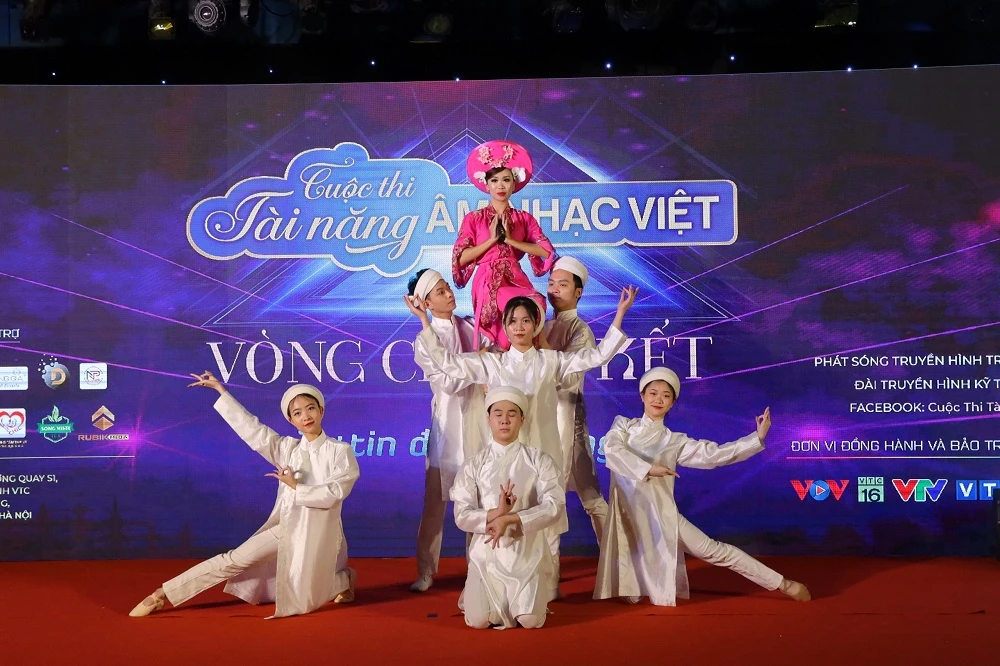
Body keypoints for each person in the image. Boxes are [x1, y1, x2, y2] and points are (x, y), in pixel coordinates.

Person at [404, 285, 638, 599]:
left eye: (526, 320)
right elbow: (447, 363)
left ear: (535, 325)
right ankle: (499, 583)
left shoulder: (550, 361)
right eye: (512, 321)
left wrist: (620, 314)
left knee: (548, 517)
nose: (519, 327)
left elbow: (596, 356)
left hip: (545, 451)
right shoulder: (493, 364)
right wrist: (424, 321)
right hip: (505, 457)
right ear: (505, 326)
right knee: (504, 513)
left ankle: (549, 585)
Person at [129, 373, 360, 619]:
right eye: (297, 412)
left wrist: (296, 487)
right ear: (291, 420)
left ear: (321, 410)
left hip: (320, 533)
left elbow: (337, 492)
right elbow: (253, 429)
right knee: (233, 560)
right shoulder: (287, 448)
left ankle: (344, 579)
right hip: (287, 528)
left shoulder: (340, 450)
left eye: (311, 408)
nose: (306, 416)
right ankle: (162, 593)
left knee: (309, 595)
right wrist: (221, 392)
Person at [593, 367, 811, 606]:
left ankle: (785, 584)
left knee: (714, 551)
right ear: (642, 396)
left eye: (666, 396)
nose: (658, 399)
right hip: (625, 514)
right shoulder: (622, 425)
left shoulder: (674, 441)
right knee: (630, 595)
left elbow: (713, 455)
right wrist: (649, 469)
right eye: (653, 393)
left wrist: (755, 439)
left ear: (672, 403)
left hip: (661, 516)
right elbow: (612, 451)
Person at [451, 386, 565, 629]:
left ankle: (530, 598)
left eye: (512, 414)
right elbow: (461, 515)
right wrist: (496, 513)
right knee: (479, 621)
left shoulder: (539, 460)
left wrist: (511, 519)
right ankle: (477, 589)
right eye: (498, 414)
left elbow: (554, 505)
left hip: (526, 554)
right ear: (489, 419)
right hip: (486, 554)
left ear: (522, 419)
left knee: (530, 621)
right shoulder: (474, 464)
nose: (505, 420)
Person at [407, 268, 488, 593]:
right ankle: (426, 570)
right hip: (447, 428)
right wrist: (477, 360)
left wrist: (479, 360)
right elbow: (449, 383)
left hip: (479, 424)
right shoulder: (424, 341)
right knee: (435, 505)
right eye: (440, 292)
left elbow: (494, 359)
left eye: (447, 288)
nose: (449, 294)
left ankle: (478, 569)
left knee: (478, 501)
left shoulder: (470, 326)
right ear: (426, 303)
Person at [453, 139, 555, 348]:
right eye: (495, 180)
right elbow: (460, 259)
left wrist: (510, 240)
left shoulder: (523, 218)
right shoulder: (474, 218)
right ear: (486, 184)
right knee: (508, 326)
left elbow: (546, 252)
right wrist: (492, 240)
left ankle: (542, 365)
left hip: (515, 277)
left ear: (514, 184)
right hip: (487, 282)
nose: (500, 186)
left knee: (532, 308)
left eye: (506, 180)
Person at [544, 256, 609, 543]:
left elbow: (565, 377)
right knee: (553, 494)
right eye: (551, 284)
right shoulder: (542, 326)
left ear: (578, 292)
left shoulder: (581, 331)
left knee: (587, 496)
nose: (555, 290)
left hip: (568, 421)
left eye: (563, 284)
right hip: (540, 420)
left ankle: (618, 561)